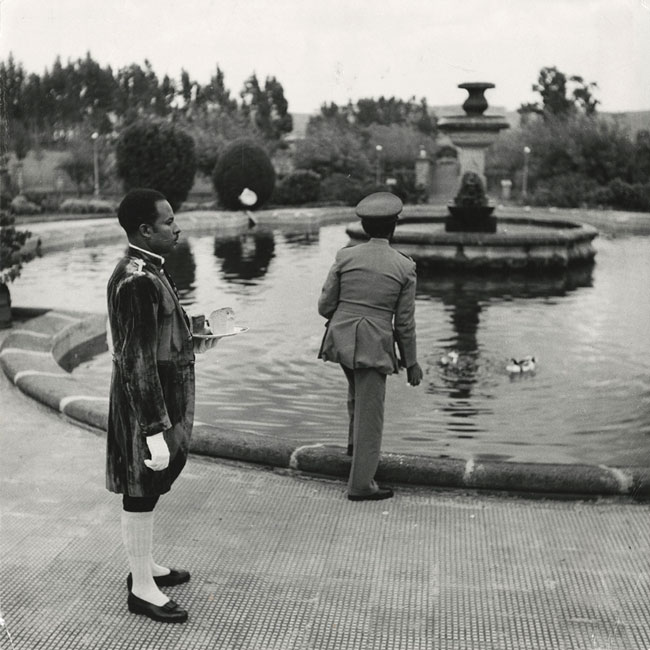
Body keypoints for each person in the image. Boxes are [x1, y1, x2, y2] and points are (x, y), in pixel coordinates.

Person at [106, 188, 217, 623]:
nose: (177, 227)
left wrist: (196, 335)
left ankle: (143, 568)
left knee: (147, 489)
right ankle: (141, 589)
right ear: (145, 230)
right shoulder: (138, 279)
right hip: (147, 401)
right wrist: (153, 429)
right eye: (168, 222)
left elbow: (159, 334)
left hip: (154, 395)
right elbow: (136, 359)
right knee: (140, 486)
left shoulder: (148, 269)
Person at [318, 191, 423, 501]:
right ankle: (361, 485)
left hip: (341, 338)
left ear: (364, 227)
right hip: (374, 344)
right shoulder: (404, 266)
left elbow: (325, 306)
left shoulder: (345, 256)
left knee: (356, 396)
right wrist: (412, 362)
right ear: (394, 227)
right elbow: (404, 323)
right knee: (371, 414)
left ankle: (353, 452)